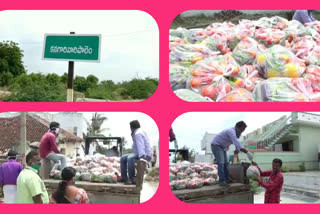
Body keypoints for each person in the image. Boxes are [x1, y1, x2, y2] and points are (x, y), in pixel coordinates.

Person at [211, 121, 248, 187]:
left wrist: (237, 149)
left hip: (223, 147)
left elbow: (236, 142)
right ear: (239, 127)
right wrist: (244, 150)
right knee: (221, 163)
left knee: (226, 163)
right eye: (242, 129)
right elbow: (236, 141)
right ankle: (222, 181)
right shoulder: (231, 131)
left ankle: (227, 179)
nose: (242, 131)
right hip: (216, 145)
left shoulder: (235, 132)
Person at [120, 120, 152, 185]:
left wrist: (142, 157)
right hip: (139, 153)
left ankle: (132, 179)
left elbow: (141, 145)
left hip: (144, 154)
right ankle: (124, 178)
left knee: (130, 158)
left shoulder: (138, 134)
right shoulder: (139, 132)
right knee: (123, 158)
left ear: (132, 127)